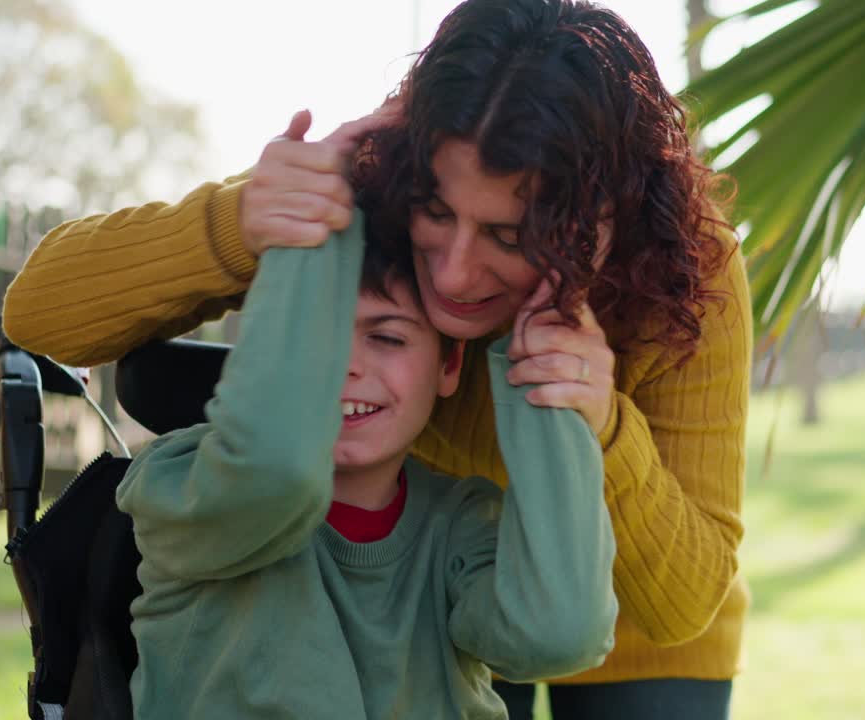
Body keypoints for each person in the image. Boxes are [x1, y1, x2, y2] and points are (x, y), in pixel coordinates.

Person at [2, 1, 752, 717]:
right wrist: (242, 220)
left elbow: (678, 604)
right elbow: (39, 314)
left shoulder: (683, 273)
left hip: (612, 608)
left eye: (509, 236)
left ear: (600, 221)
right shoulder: (362, 198)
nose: (454, 274)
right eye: (438, 211)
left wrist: (594, 418)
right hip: (411, 601)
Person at [118, 207, 618, 719]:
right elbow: (279, 475)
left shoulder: (461, 523)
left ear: (448, 364)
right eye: (314, 334)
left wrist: (541, 364)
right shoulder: (179, 482)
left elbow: (558, 634)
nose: (345, 364)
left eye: (387, 337)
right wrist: (317, 209)